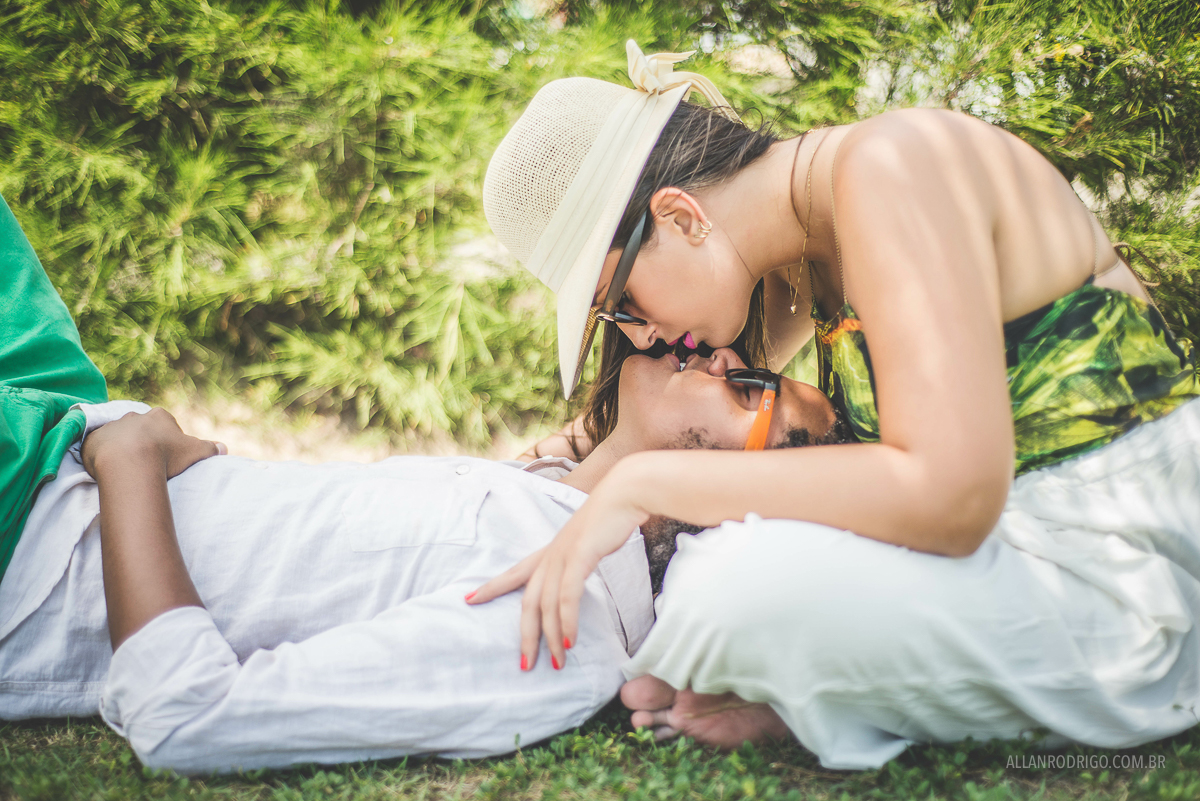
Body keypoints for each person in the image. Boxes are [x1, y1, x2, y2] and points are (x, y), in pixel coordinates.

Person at [472, 41, 1200, 767]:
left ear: (682, 216)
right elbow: (660, 408)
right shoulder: (806, 239)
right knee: (712, 575)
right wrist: (524, 478)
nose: (645, 335)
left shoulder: (894, 169)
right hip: (1003, 555)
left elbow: (950, 496)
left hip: (1127, 573)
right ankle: (828, 690)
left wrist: (642, 484)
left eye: (622, 302)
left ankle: (826, 689)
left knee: (726, 592)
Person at [0, 191, 849, 772]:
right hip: (70, 430)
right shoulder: (551, 496)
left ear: (741, 516)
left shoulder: (566, 621)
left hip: (32, 542)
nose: (731, 354)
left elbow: (186, 717)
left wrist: (131, 461)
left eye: (758, 393)